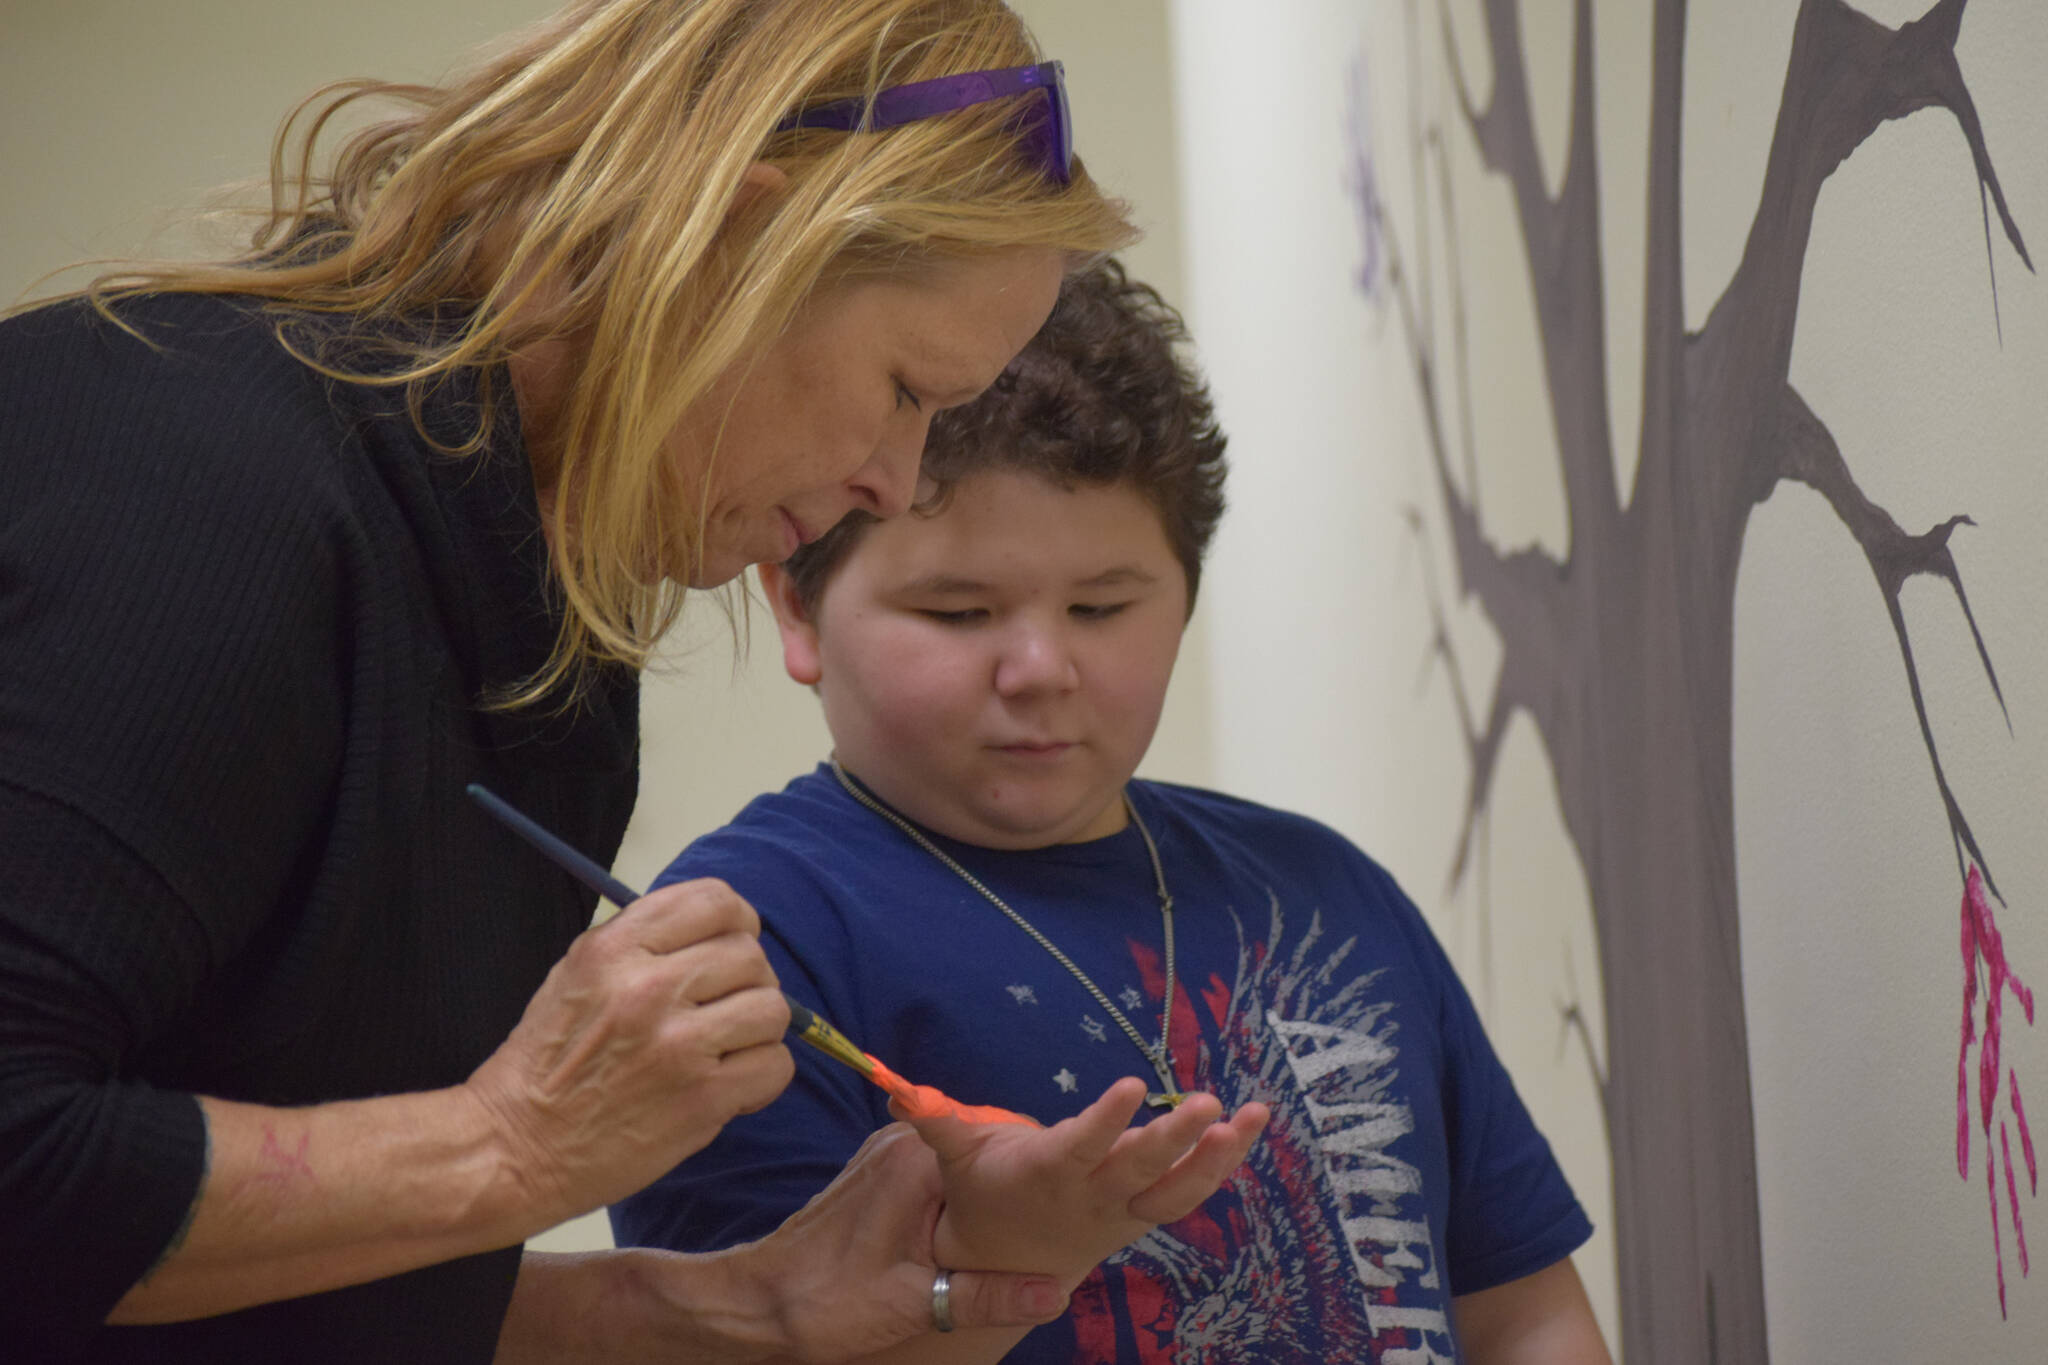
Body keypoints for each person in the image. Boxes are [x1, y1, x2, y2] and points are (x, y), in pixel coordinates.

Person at [0, 2, 1268, 1360]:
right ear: (732, 233)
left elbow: (270, 1292)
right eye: (907, 389)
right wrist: (504, 1144)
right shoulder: (193, 472)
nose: (892, 484)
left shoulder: (545, 654)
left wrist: (744, 1309)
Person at [611, 258, 1614, 1362]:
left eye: (1101, 605)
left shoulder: (1324, 892)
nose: (1039, 667)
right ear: (796, 606)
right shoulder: (746, 942)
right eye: (956, 610)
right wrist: (1004, 1261)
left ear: (1183, 599)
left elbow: (1522, 1310)